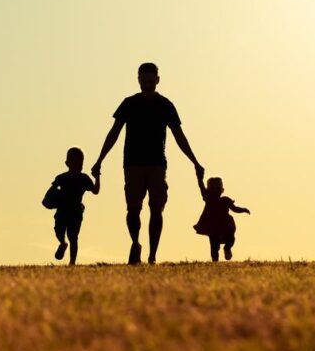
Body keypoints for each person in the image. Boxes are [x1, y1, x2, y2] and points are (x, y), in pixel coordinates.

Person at [91, 62, 204, 264]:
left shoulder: (166, 105)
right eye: (143, 81)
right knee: (133, 209)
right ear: (138, 80)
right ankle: (135, 243)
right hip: (132, 164)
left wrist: (194, 161)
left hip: (157, 164)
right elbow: (114, 133)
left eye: (151, 81)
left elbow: (179, 136)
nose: (147, 84)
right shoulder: (129, 103)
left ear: (157, 80)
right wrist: (100, 159)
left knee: (156, 208)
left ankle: (152, 255)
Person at [50, 147, 100, 265]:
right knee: (59, 230)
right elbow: (52, 190)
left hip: (76, 211)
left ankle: (72, 262)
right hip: (62, 209)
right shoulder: (61, 178)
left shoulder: (84, 178)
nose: (78, 165)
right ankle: (62, 243)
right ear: (67, 163)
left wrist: (97, 177)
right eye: (75, 162)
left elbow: (95, 191)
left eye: (81, 162)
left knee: (73, 236)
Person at [193, 175, 250, 261]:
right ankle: (215, 262)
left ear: (221, 190)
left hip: (226, 226)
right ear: (209, 190)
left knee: (230, 239)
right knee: (214, 245)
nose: (215, 190)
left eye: (217, 188)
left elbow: (235, 208)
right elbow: (201, 186)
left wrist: (243, 210)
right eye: (213, 188)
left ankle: (227, 248)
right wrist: (199, 177)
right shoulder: (209, 198)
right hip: (213, 226)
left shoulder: (225, 200)